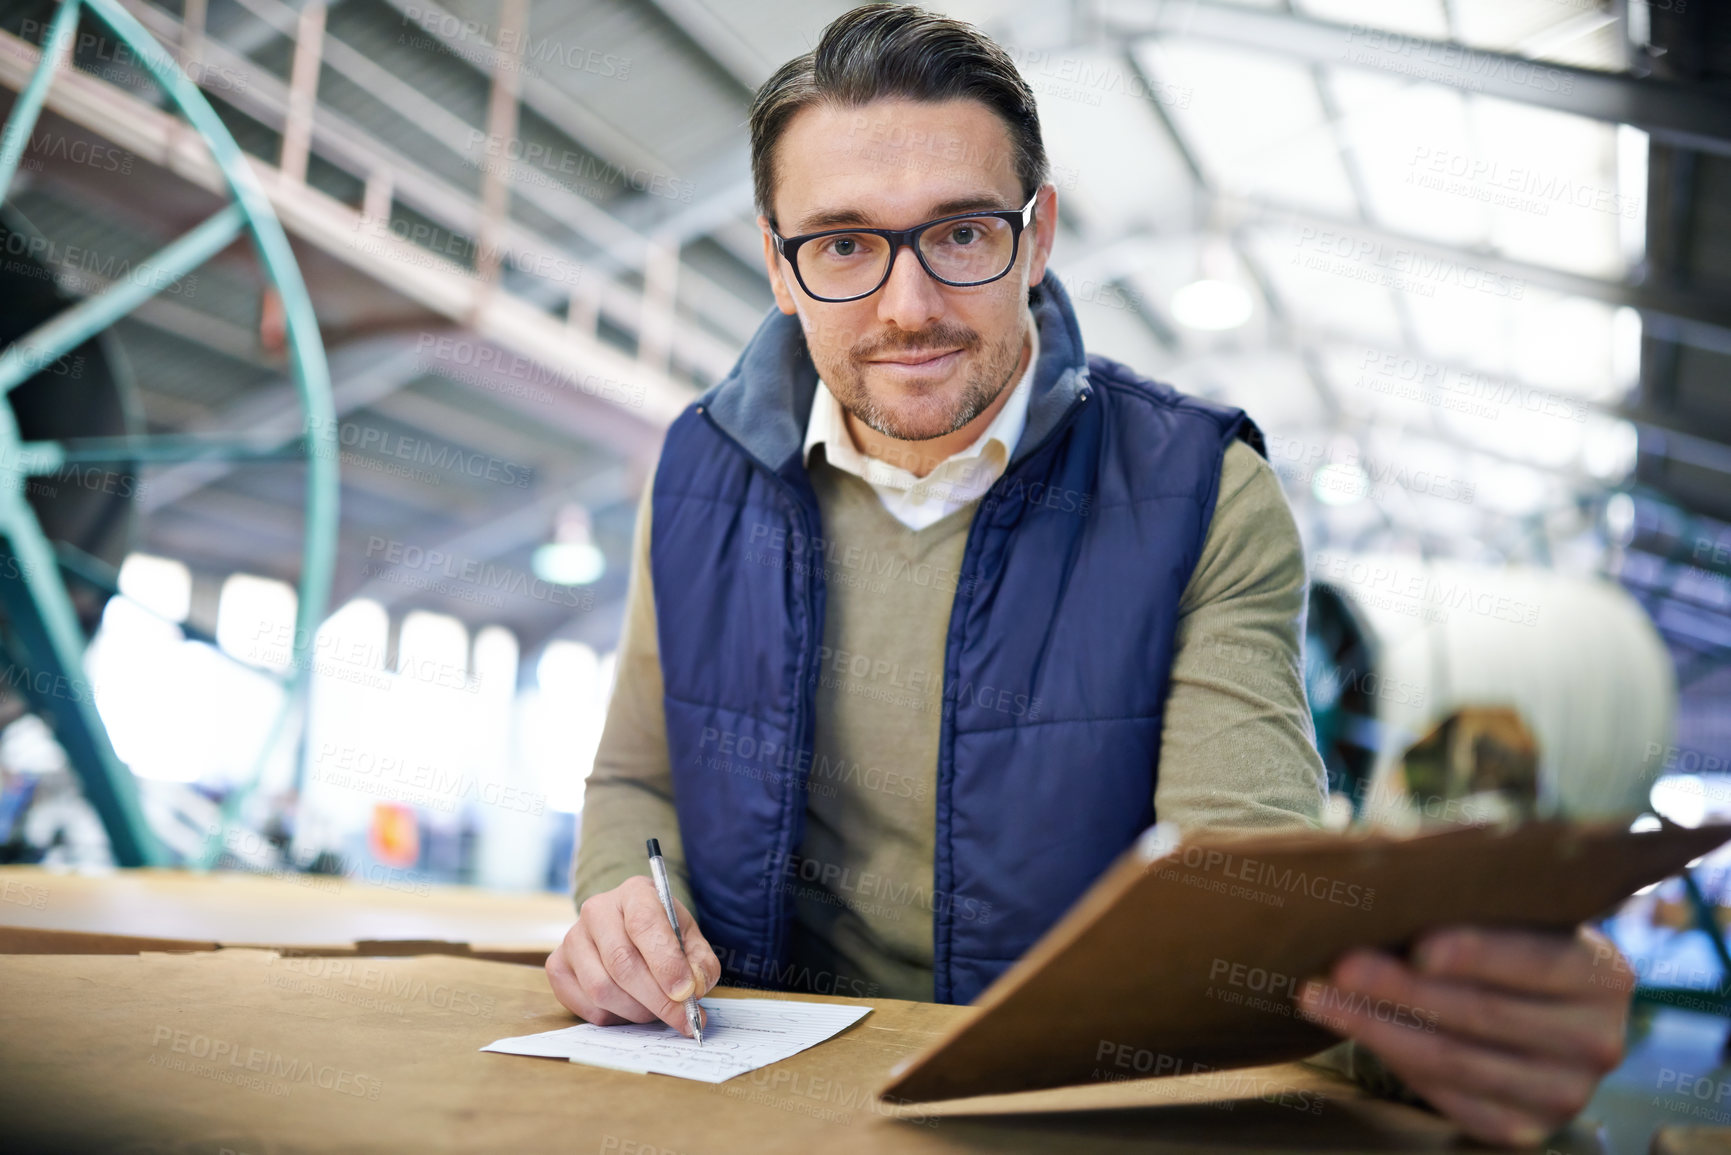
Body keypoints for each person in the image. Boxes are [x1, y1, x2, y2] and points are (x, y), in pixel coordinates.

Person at [546, 6, 1632, 1145]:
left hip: (1058, 1111)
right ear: (778, 262)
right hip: (751, 1101)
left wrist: (1458, 1004)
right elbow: (635, 780)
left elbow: (1250, 887)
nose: (908, 307)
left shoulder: (1197, 489)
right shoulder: (699, 470)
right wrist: (624, 903)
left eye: (961, 234)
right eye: (844, 243)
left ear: (1040, 231)